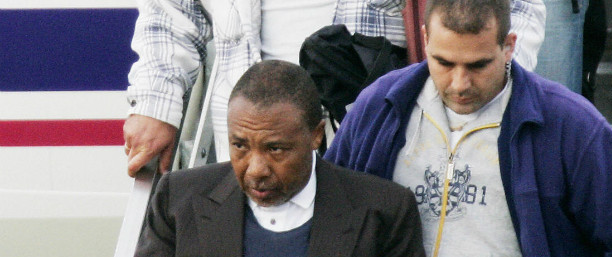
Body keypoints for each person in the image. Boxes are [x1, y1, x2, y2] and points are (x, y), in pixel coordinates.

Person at [324, 0, 612, 257]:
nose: (460, 84)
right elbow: (327, 224)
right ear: (425, 39)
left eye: (478, 65)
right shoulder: (378, 108)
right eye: (444, 63)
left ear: (509, 46)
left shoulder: (570, 126)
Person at [113, 60, 435, 257]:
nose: (255, 169)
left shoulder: (384, 209)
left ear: (316, 135)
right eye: (239, 145)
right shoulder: (180, 197)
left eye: (275, 148)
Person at [122, 0, 546, 177]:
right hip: (249, 145)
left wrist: (490, 87)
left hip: (386, 140)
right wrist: (157, 102)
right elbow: (173, 10)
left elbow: (517, 9)